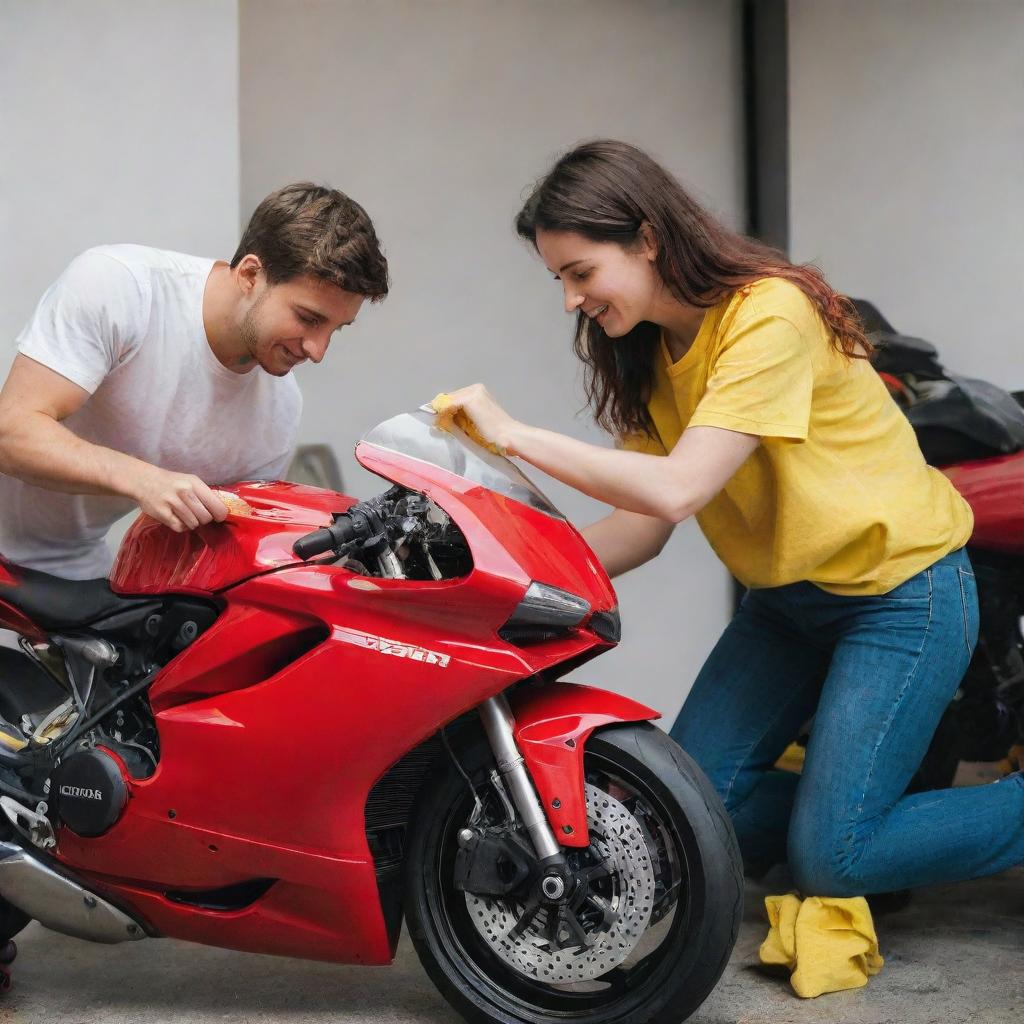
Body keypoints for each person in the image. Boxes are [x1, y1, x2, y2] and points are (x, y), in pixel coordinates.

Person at [441, 140, 1024, 898]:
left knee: (832, 859)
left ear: (647, 239)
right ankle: (875, 832)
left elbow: (680, 488)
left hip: (899, 596)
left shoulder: (768, 313)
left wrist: (515, 436)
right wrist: (504, 585)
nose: (570, 300)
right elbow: (639, 528)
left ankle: (864, 840)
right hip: (785, 605)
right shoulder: (648, 352)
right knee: (679, 818)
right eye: (559, 279)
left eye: (580, 273)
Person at [0, 182, 388, 580]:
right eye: (309, 318)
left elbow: (226, 547)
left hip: (68, 564)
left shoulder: (277, 411)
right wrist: (143, 479)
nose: (318, 350)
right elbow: (11, 431)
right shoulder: (124, 288)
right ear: (251, 274)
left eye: (336, 330)